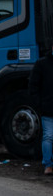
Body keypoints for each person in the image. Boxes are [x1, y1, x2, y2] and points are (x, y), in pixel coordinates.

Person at [29, 45, 53, 175]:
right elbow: (34, 86)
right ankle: (48, 164)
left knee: (48, 136)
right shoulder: (42, 64)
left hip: (47, 106)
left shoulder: (42, 64)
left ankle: (48, 165)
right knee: (48, 136)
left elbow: (33, 86)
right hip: (48, 107)